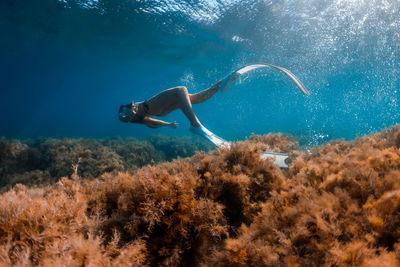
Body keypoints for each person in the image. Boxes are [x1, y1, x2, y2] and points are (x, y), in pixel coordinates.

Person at [118, 80, 223, 138]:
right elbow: (123, 118)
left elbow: (149, 120)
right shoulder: (126, 114)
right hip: (151, 106)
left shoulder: (136, 115)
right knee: (181, 90)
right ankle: (195, 124)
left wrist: (168, 124)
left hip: (157, 111)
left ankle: (219, 86)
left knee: (192, 98)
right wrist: (125, 116)